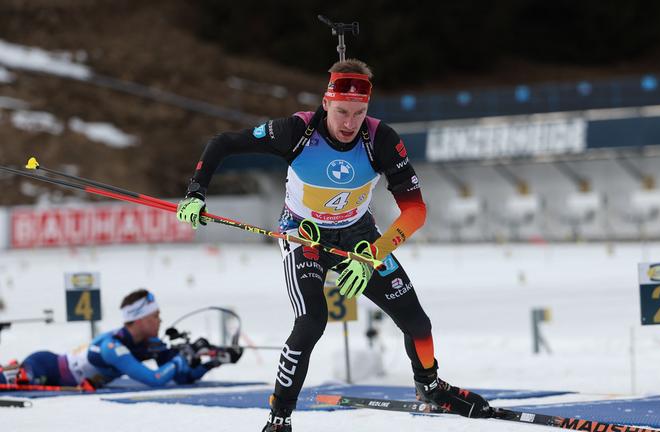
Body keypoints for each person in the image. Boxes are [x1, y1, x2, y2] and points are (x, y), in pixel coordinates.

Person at [177, 58, 491, 431]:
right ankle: (279, 419)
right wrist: (196, 193)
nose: (349, 123)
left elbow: (415, 211)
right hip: (303, 235)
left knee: (418, 323)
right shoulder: (294, 131)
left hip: (359, 237)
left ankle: (430, 387)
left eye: (359, 113)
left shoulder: (382, 140)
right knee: (311, 322)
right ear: (325, 104)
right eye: (341, 111)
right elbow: (223, 143)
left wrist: (372, 253)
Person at [0, 289, 217, 389]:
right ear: (139, 319)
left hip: (61, 376)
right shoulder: (113, 347)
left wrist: (211, 362)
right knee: (13, 382)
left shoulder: (150, 344)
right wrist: (181, 358)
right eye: (155, 316)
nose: (160, 321)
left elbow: (180, 379)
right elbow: (155, 379)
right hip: (45, 367)